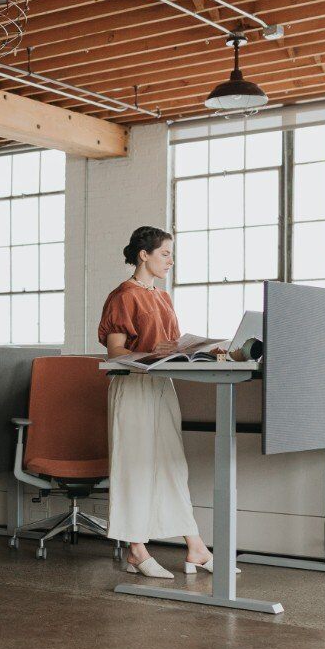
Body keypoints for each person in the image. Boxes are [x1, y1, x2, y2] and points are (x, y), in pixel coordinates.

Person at [97, 226, 224, 580]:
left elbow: (168, 345)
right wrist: (151, 353)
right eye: (165, 254)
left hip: (161, 385)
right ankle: (136, 550)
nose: (170, 260)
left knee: (171, 464)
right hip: (133, 385)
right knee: (134, 465)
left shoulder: (163, 297)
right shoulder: (123, 295)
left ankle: (195, 547)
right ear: (144, 255)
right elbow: (115, 350)